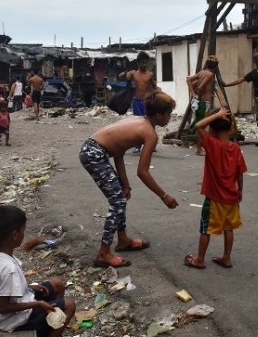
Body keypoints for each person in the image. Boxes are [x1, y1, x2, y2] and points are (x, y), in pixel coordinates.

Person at [79, 90, 180, 268]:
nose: (170, 118)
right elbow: (143, 172)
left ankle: (123, 239)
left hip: (91, 149)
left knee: (120, 196)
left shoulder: (138, 119)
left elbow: (118, 153)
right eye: (169, 114)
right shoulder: (150, 134)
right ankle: (103, 253)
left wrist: (125, 184)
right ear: (158, 115)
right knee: (117, 201)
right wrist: (164, 196)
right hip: (94, 154)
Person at [0, 206, 79, 337]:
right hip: (12, 320)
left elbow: (4, 287)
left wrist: (29, 287)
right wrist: (37, 304)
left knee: (57, 284)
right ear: (15, 235)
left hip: (18, 302)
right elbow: (3, 307)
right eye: (23, 230)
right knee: (69, 305)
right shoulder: (8, 269)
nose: (24, 234)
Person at [184, 108, 247, 269]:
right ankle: (226, 257)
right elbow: (240, 173)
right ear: (231, 128)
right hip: (232, 198)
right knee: (229, 227)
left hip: (214, 199)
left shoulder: (213, 145)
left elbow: (198, 126)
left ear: (211, 129)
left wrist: (216, 115)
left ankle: (200, 259)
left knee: (205, 229)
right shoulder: (236, 148)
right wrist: (240, 190)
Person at [119, 51, 158, 153]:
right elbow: (120, 76)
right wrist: (126, 73)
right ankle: (137, 146)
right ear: (138, 63)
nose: (144, 65)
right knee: (137, 124)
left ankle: (151, 144)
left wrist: (158, 92)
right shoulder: (133, 73)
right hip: (137, 101)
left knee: (150, 123)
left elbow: (155, 87)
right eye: (142, 63)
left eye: (146, 63)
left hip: (147, 101)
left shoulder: (150, 75)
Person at [186, 55, 220, 156]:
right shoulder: (209, 74)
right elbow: (200, 87)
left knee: (200, 125)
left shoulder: (201, 72)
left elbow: (188, 80)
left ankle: (201, 148)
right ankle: (199, 149)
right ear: (215, 67)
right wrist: (197, 96)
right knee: (202, 126)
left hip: (200, 102)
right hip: (204, 103)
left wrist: (193, 94)